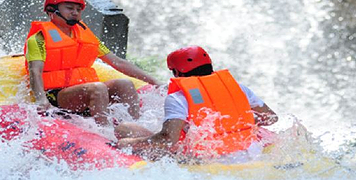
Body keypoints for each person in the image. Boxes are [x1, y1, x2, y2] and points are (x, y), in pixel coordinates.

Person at [114, 46, 278, 161]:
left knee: (125, 130)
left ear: (177, 72)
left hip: (208, 161)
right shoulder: (239, 88)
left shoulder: (179, 97)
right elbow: (271, 118)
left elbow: (168, 140)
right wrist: (236, 122)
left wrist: (128, 143)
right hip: (250, 153)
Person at [25, 0, 162, 125]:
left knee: (125, 84)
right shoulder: (38, 39)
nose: (75, 12)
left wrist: (155, 82)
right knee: (98, 88)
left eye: (78, 9)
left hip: (85, 91)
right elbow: (35, 71)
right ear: (51, 10)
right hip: (57, 95)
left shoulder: (86, 37)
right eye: (69, 8)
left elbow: (118, 62)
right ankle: (105, 131)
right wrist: (41, 100)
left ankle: (135, 126)